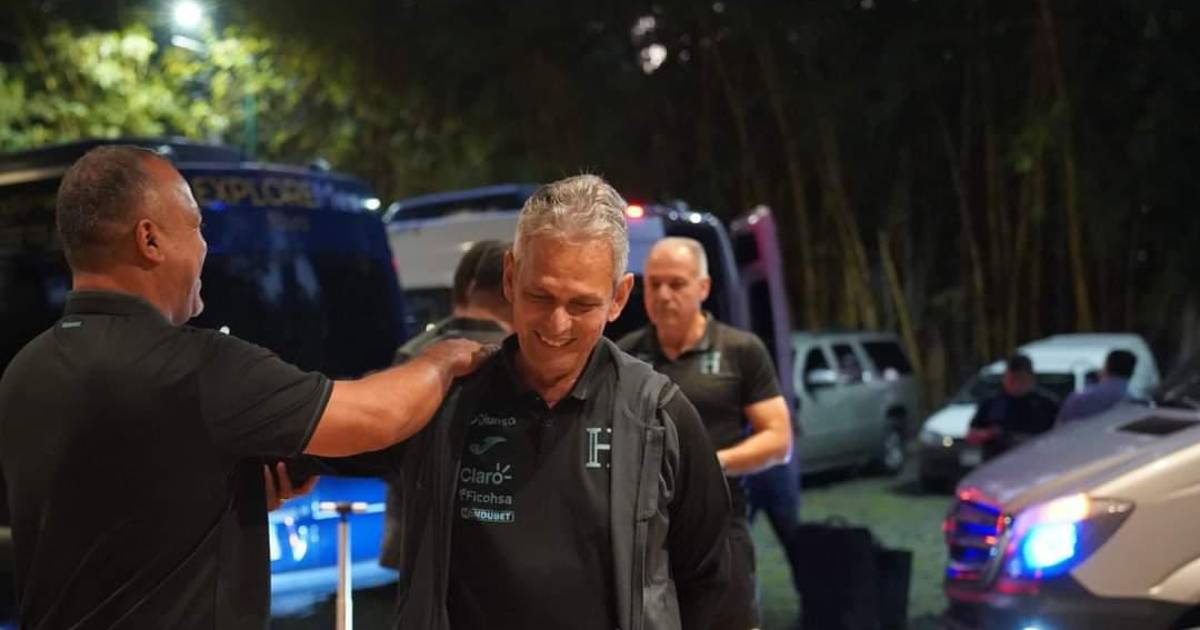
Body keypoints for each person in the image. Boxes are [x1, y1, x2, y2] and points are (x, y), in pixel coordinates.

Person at [0, 145, 486, 629]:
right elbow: (376, 417)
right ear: (149, 240)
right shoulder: (197, 367)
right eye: (196, 227)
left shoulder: (23, 374)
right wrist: (442, 359)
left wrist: (227, 503)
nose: (204, 247)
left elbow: (109, 514)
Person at [293, 174, 732, 630]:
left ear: (618, 297)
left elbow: (711, 579)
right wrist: (279, 467)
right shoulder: (445, 400)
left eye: (581, 305)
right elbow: (305, 433)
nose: (557, 324)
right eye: (540, 296)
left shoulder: (658, 417)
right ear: (510, 276)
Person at [618, 236, 792, 630]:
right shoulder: (626, 356)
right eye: (654, 284)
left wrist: (709, 465)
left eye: (676, 284)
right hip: (646, 533)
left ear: (703, 287)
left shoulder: (740, 350)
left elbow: (778, 440)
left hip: (720, 528)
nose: (663, 295)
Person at [380, 239, 512, 572]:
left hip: (415, 538)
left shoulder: (414, 353)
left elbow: (388, 452)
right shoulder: (524, 360)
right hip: (497, 542)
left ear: (465, 286)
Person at [966, 354, 1060, 460]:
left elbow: (1061, 436)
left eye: (1020, 378)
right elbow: (971, 437)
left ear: (1031, 378)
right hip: (999, 461)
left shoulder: (1046, 404)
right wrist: (991, 433)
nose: (1015, 383)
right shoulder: (992, 403)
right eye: (1011, 378)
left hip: (1037, 461)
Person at [1056, 349, 1138, 425]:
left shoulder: (1080, 398)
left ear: (1106, 368)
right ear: (1132, 373)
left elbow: (1060, 428)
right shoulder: (1134, 404)